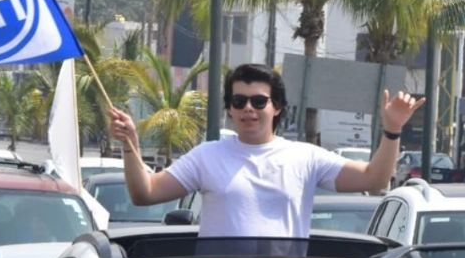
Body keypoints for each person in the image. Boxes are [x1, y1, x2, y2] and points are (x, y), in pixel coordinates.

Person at [108, 64, 424, 238]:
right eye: (239, 101)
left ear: (278, 108)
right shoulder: (207, 156)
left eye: (259, 101)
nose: (249, 109)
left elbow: (374, 180)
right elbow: (145, 193)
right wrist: (130, 144)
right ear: (229, 110)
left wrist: (392, 129)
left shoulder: (306, 157)